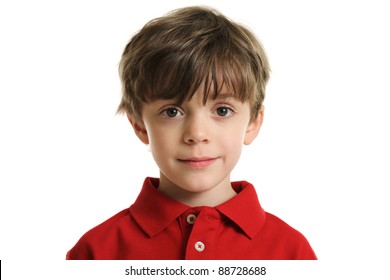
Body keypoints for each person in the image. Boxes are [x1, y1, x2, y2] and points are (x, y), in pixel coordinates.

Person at [66, 6, 317, 260]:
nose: (197, 134)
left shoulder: (292, 252)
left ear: (252, 122)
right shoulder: (95, 252)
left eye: (222, 110)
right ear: (140, 125)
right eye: (172, 112)